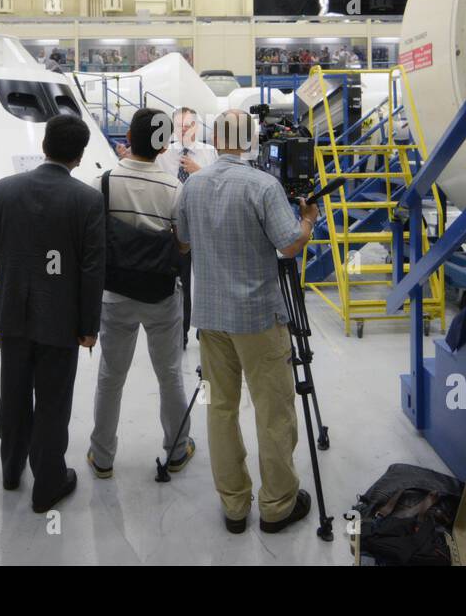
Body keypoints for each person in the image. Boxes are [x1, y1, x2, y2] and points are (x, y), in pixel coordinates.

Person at [174, 109, 319, 534]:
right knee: (273, 411)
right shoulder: (263, 185)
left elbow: (182, 242)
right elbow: (290, 245)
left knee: (220, 408)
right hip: (258, 318)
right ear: (252, 139)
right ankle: (276, 506)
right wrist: (308, 219)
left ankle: (234, 505)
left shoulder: (192, 185)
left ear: (215, 139)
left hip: (210, 318)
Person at [0, 115, 105, 513]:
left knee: (13, 390)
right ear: (81, 155)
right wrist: (88, 327)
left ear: (44, 144)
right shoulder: (87, 199)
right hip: (61, 320)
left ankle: (11, 469)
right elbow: (91, 269)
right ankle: (48, 483)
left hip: (12, 313)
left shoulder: (5, 188)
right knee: (52, 400)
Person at [87, 108, 193, 478]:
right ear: (164, 145)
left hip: (114, 294)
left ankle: (102, 457)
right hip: (160, 294)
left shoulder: (103, 182)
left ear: (128, 139)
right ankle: (177, 449)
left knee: (110, 376)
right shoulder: (175, 188)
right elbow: (182, 245)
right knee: (169, 374)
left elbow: (95, 240)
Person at [155, 107, 218, 343]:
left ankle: (207, 329)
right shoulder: (163, 154)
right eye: (180, 125)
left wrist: (199, 172)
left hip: (205, 225)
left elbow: (220, 185)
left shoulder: (209, 153)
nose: (184, 129)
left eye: (189, 125)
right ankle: (180, 332)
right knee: (179, 284)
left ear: (198, 126)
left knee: (206, 280)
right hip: (175, 228)